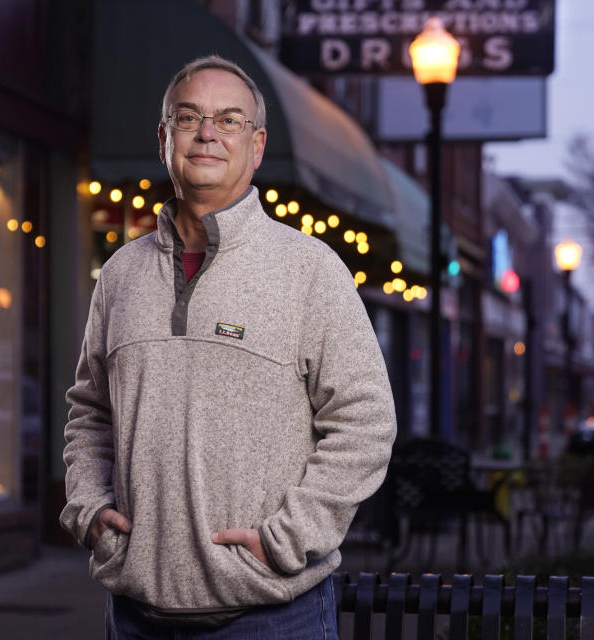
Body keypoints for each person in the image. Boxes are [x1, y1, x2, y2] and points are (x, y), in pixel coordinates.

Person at [60, 54, 397, 638]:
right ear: (165, 138)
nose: (207, 132)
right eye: (188, 117)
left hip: (272, 616)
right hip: (136, 615)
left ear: (258, 145)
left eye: (229, 119)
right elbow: (90, 411)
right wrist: (89, 510)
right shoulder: (120, 276)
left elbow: (365, 423)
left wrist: (287, 540)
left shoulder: (309, 271)